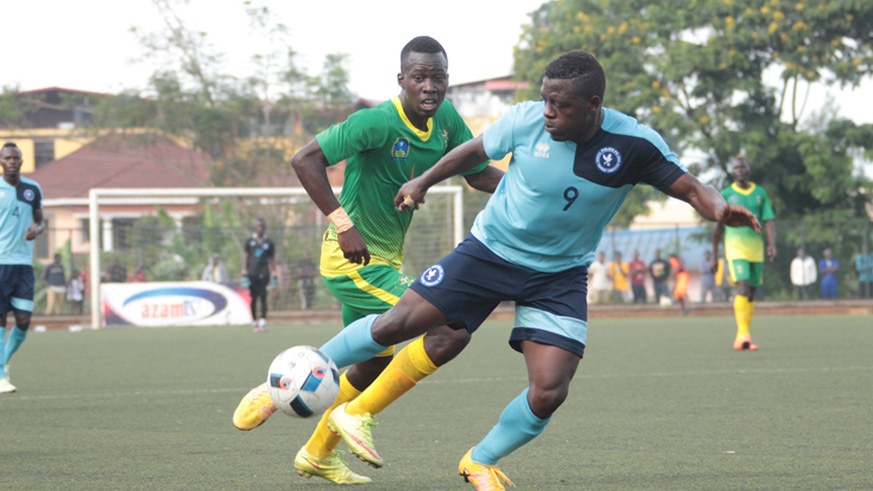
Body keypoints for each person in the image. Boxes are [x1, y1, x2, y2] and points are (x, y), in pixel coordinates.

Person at [313, 50, 760, 490]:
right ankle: (309, 368)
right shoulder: (526, 119)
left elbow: (693, 188)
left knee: (550, 390)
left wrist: (720, 210)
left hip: (559, 275)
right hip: (490, 251)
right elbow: (469, 153)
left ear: (592, 107)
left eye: (560, 105)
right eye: (546, 99)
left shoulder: (634, 144)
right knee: (398, 324)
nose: (547, 112)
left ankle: (480, 461)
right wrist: (422, 179)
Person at [231, 36, 503, 485]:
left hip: (384, 262)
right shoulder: (375, 122)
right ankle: (283, 383)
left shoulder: (447, 121)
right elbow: (305, 160)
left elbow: (476, 174)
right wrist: (342, 222)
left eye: (439, 77)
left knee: (375, 360)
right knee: (448, 326)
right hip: (351, 257)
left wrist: (530, 187)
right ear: (402, 80)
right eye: (420, 77)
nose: (430, 87)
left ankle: (316, 455)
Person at [711, 156, 776, 351]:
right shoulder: (726, 193)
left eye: (743, 166)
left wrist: (772, 244)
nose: (739, 170)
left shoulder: (760, 193)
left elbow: (768, 220)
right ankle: (742, 335)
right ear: (732, 171)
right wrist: (714, 254)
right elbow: (718, 227)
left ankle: (745, 334)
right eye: (736, 167)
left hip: (755, 247)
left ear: (748, 169)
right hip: (735, 247)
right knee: (743, 286)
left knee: (752, 292)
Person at [0, 142, 46, 394]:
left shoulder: (32, 189)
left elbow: (41, 222)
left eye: (16, 157)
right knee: (0, 321)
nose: (12, 161)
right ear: (1, 161)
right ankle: (0, 377)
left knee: (24, 320)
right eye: (7, 158)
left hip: (23, 265)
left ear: (21, 161)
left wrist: (35, 231)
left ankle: (4, 360)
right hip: (0, 263)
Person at [243, 218, 277, 332]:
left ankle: (262, 322)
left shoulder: (269, 242)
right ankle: (254, 322)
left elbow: (272, 259)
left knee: (263, 297)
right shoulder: (249, 241)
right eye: (258, 226)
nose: (260, 228)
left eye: (262, 226)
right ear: (255, 228)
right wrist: (244, 270)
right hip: (252, 273)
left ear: (264, 228)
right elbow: (246, 256)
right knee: (253, 298)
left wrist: (274, 272)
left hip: (264, 272)